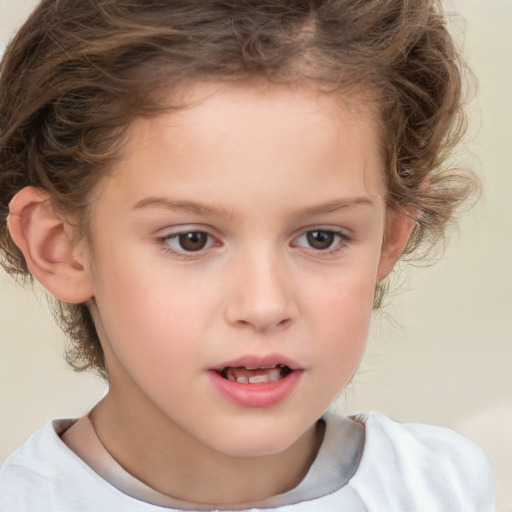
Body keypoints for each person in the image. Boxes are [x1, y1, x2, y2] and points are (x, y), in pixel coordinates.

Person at [0, 0, 496, 510]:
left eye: (321, 237)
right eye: (190, 239)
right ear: (59, 246)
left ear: (390, 237)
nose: (264, 305)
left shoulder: (444, 489)